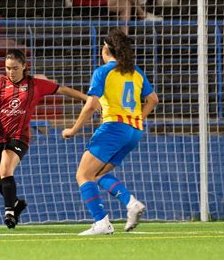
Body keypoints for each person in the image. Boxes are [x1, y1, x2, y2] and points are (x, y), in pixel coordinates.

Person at [0, 49, 88, 229]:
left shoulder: (35, 85)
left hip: (19, 137)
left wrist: (86, 98)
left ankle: (10, 213)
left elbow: (62, 89)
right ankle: (16, 203)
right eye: (8, 68)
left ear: (24, 66)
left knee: (6, 169)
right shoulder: (0, 83)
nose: (11, 72)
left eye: (15, 68)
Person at [62, 28, 159, 235]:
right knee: (97, 174)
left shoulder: (103, 72)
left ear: (105, 49)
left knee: (83, 174)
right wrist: (138, 118)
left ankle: (101, 223)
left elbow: (89, 106)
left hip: (113, 127)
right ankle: (130, 202)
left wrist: (73, 129)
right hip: (134, 131)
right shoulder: (135, 72)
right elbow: (153, 100)